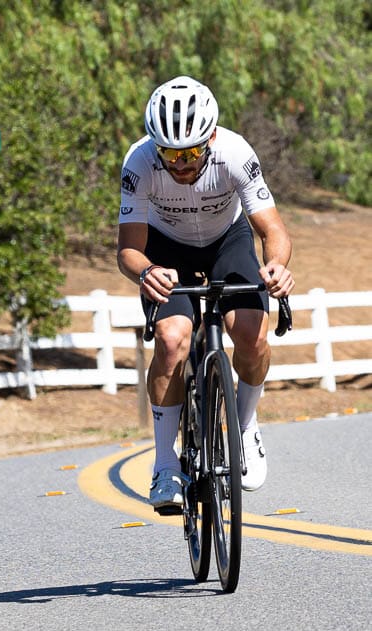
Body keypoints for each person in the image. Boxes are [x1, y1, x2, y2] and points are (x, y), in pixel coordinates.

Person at [116, 75, 295, 514]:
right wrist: (147, 272)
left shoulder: (236, 153)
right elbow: (128, 250)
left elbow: (272, 228)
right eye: (169, 154)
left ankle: (245, 425)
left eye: (191, 153)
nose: (180, 165)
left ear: (211, 138)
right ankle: (165, 464)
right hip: (165, 248)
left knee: (251, 333)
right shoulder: (139, 162)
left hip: (226, 240)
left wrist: (276, 265)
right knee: (172, 339)